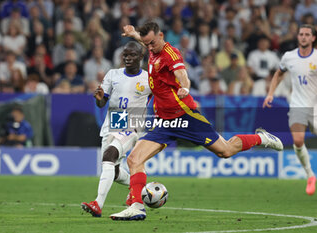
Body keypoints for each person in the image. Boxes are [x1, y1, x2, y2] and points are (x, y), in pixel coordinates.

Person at [110, 21, 283, 221]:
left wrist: (185, 87)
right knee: (134, 159)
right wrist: (133, 34)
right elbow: (145, 39)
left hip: (185, 116)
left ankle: (260, 138)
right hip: (165, 121)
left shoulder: (170, 54)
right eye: (146, 44)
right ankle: (137, 207)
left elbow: (182, 74)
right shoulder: (153, 47)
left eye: (151, 43)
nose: (148, 48)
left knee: (225, 151)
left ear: (161, 36)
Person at [81, 41, 152, 217]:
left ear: (140, 57)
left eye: (132, 55)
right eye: (125, 55)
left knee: (109, 156)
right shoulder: (113, 74)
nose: (128, 58)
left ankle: (98, 204)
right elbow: (101, 102)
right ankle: (139, 188)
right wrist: (98, 98)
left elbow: (164, 96)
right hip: (114, 122)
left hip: (133, 122)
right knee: (114, 170)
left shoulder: (149, 79)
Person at [263, 24, 317, 196]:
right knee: (298, 140)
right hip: (298, 105)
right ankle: (310, 175)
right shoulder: (289, 57)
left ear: (313, 38)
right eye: (301, 34)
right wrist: (270, 93)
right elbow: (279, 73)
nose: (303, 37)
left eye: (307, 34)